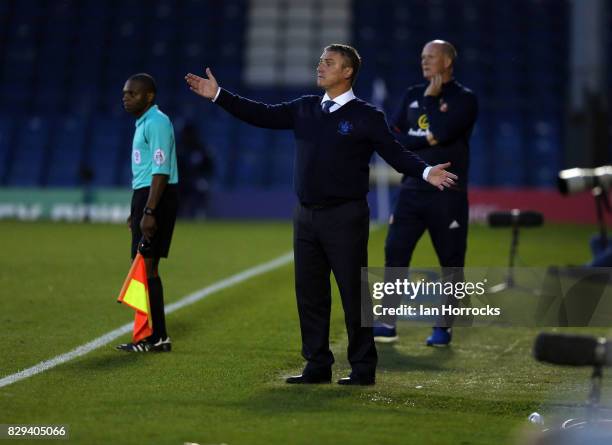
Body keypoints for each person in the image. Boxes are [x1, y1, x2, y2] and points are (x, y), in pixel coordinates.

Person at [185, 44, 457, 385]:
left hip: (345, 216)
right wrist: (218, 95)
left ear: (347, 72)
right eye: (320, 61)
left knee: (352, 294)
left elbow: (395, 153)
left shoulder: (366, 116)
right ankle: (317, 364)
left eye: (329, 62)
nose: (320, 66)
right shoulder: (305, 108)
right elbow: (262, 114)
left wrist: (426, 171)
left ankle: (362, 368)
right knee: (310, 294)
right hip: (305, 216)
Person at [373, 40, 478, 346]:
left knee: (451, 261)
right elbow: (392, 140)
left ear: (447, 61)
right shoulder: (411, 95)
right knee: (394, 252)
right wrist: (429, 139)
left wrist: (432, 105)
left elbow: (445, 132)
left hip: (448, 193)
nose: (424, 62)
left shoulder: (465, 99)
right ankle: (387, 322)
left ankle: (443, 327)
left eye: (431, 57)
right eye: (422, 57)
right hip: (411, 190)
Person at [116, 73, 179, 352]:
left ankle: (151, 336)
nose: (126, 98)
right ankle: (156, 336)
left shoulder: (157, 122)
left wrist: (150, 210)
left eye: (132, 93)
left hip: (157, 196)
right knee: (146, 266)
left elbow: (160, 170)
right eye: (125, 94)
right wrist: (138, 210)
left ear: (149, 96)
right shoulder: (144, 122)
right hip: (145, 196)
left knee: (147, 266)